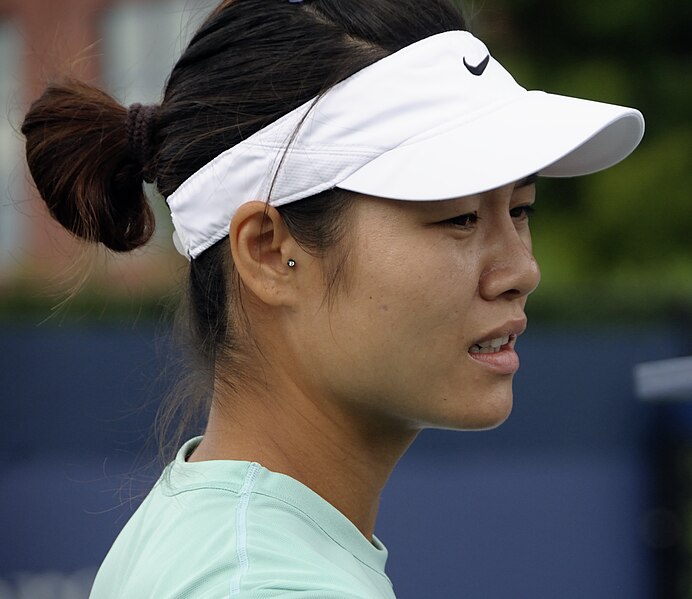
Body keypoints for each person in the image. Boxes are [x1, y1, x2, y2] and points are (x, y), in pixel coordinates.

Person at [21, 0, 644, 597]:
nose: (521, 270)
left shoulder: (223, 546)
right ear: (267, 251)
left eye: (521, 209)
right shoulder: (264, 584)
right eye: (458, 218)